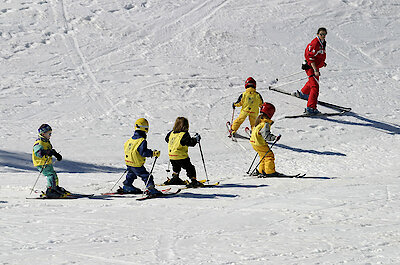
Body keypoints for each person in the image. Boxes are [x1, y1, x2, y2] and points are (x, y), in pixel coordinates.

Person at [122, 118, 162, 195]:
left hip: (129, 163)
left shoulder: (130, 140)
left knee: (131, 174)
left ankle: (127, 186)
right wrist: (153, 153)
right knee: (146, 176)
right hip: (136, 164)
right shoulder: (142, 141)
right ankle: (151, 189)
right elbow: (143, 152)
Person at [294, 27, 327, 114]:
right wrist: (315, 69)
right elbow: (311, 58)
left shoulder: (322, 43)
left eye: (324, 34)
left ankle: (304, 93)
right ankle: (311, 108)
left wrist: (322, 63)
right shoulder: (315, 43)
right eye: (321, 34)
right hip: (311, 67)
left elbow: (319, 55)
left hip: (315, 66)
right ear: (317, 34)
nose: (323, 36)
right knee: (315, 87)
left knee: (313, 82)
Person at [164, 117, 203, 188]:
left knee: (176, 166)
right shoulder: (184, 134)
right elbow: (190, 143)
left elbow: (166, 139)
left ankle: (175, 178)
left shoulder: (171, 133)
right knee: (190, 168)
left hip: (172, 156)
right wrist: (196, 139)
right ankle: (193, 180)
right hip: (181, 156)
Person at [32, 124, 67, 198]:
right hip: (41, 163)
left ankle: (55, 188)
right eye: (49, 133)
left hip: (47, 162)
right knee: (50, 175)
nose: (50, 135)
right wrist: (46, 152)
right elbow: (38, 152)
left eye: (51, 133)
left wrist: (56, 154)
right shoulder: (39, 142)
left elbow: (50, 150)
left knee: (53, 175)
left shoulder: (46, 142)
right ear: (43, 134)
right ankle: (50, 190)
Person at [249, 103, 282, 177]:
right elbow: (266, 136)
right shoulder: (265, 123)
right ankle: (269, 172)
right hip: (259, 143)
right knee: (269, 156)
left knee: (263, 156)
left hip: (253, 142)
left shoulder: (259, 121)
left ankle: (262, 171)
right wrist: (274, 138)